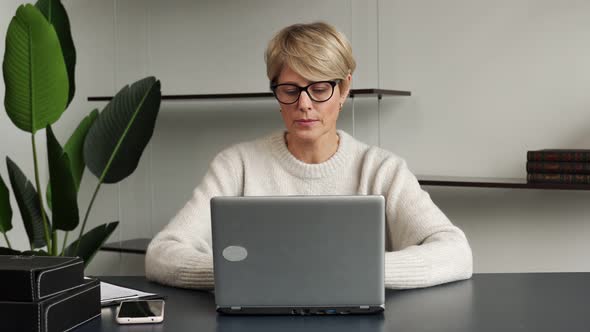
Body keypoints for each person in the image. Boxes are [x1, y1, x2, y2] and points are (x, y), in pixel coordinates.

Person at [146, 22, 472, 290]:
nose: (304, 104)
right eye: (290, 90)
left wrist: (354, 270)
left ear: (343, 90)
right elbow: (161, 253)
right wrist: (239, 273)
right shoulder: (236, 165)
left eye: (319, 90)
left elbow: (457, 253)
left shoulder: (381, 169)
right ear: (275, 92)